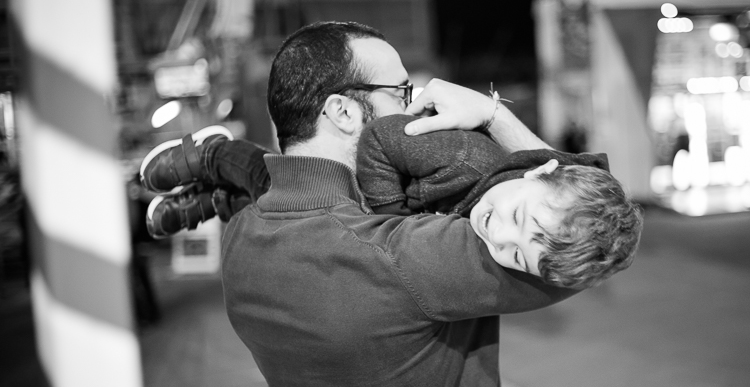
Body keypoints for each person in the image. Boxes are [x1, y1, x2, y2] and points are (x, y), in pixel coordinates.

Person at [142, 21, 625, 387]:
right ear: (343, 112)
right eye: (401, 93)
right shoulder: (410, 256)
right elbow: (585, 228)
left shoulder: (245, 241)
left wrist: (224, 168)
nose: (416, 107)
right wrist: (492, 115)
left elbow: (279, 184)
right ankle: (213, 168)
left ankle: (211, 169)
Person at [143, 114, 642, 288]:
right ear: (540, 167)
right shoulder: (464, 158)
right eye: (517, 217)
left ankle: (213, 202)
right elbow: (383, 137)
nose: (498, 235)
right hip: (358, 179)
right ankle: (212, 154)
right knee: (266, 179)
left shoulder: (542, 216)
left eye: (516, 256)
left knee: (268, 205)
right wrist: (390, 221)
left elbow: (588, 227)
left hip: (360, 204)